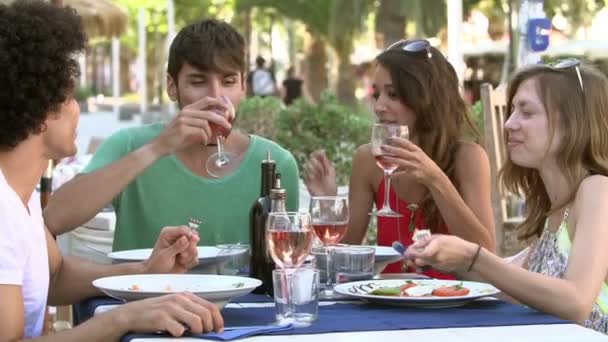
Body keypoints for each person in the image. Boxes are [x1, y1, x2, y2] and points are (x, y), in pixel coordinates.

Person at [0, 1, 223, 339]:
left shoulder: (20, 199)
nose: (78, 111)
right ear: (42, 111)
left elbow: (56, 276)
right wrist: (122, 319)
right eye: (72, 97)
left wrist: (144, 271)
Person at [43, 19, 299, 251]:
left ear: (244, 87)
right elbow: (54, 218)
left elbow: (288, 260)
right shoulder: (129, 144)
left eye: (229, 81)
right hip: (147, 299)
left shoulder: (276, 163)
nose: (215, 96)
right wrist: (157, 149)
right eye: (198, 82)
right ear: (172, 87)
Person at [404, 61, 608, 333]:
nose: (509, 124)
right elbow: (512, 284)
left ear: (571, 124)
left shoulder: (598, 190)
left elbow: (576, 301)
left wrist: (473, 256)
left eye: (526, 112)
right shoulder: (553, 207)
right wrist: (449, 256)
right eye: (512, 111)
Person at [304, 39, 495, 279]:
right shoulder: (368, 161)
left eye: (393, 94)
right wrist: (327, 201)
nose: (379, 106)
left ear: (426, 98)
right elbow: (345, 254)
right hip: (387, 302)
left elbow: (488, 256)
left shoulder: (467, 158)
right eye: (377, 94)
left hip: (453, 305)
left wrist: (435, 179)